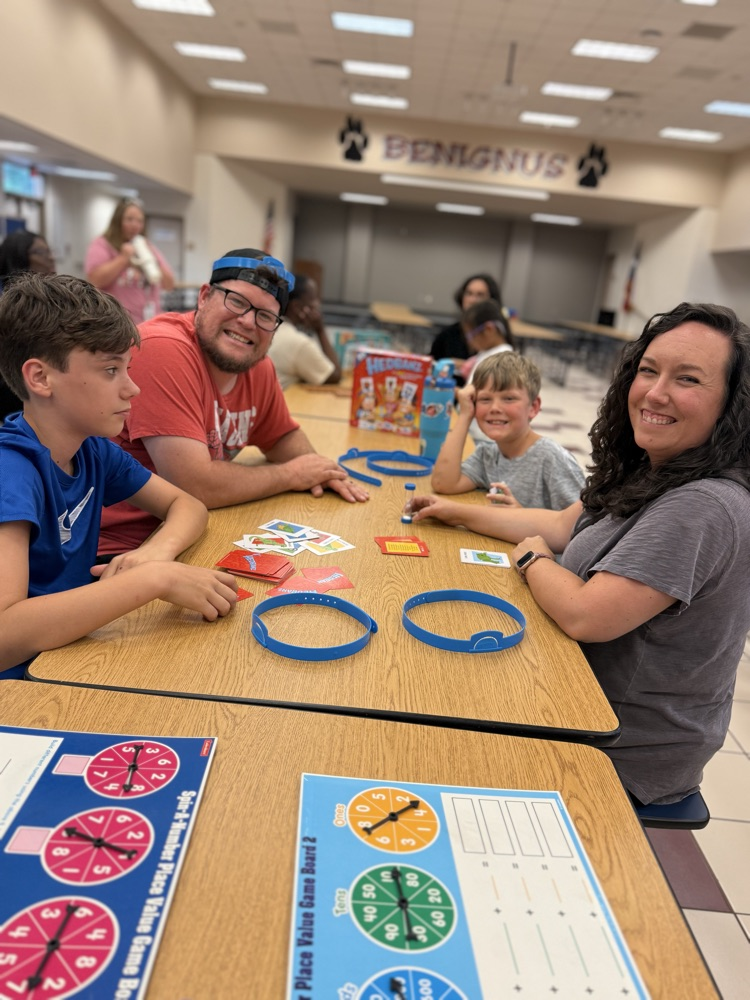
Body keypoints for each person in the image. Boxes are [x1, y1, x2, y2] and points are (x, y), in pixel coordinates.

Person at [408, 302, 750, 806]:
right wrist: (454, 512)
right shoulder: (654, 466)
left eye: (688, 379)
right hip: (572, 693)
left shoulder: (704, 504)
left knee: (421, 722)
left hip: (617, 747)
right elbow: (556, 525)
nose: (656, 392)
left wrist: (533, 561)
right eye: (648, 370)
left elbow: (586, 615)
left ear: (732, 404)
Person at [0, 273, 238, 679]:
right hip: (25, 688)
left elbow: (187, 505)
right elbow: (5, 636)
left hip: (69, 656)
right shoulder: (12, 472)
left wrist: (155, 554)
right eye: (111, 370)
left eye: (127, 368)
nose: (132, 389)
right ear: (40, 378)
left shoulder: (92, 449)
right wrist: (153, 580)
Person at [99, 248, 368, 557]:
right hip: (122, 550)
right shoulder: (162, 348)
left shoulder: (257, 365)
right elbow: (194, 485)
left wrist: (322, 472)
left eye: (265, 316)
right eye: (237, 301)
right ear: (204, 297)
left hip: (193, 533)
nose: (248, 322)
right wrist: (292, 474)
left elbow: (281, 436)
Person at [431, 351, 585, 509]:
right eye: (485, 399)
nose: (495, 408)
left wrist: (521, 516)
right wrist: (465, 415)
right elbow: (442, 483)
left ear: (533, 407)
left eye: (509, 399)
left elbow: (585, 520)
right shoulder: (487, 456)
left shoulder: (552, 458)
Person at [85, 198, 175, 324]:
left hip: (148, 322)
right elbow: (94, 280)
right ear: (118, 220)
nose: (135, 225)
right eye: (129, 219)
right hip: (116, 323)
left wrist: (151, 260)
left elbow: (169, 284)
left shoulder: (147, 246)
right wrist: (123, 259)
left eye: (139, 221)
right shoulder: (102, 244)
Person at [0, 230, 57, 421]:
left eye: (49, 251)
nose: (50, 258)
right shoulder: (8, 304)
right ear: (19, 257)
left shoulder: (52, 297)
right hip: (14, 392)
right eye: (41, 253)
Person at [267, 273, 341, 389]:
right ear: (297, 307)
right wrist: (320, 330)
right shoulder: (299, 343)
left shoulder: (271, 327)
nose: (318, 304)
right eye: (313, 298)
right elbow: (334, 376)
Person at [430, 272, 502, 365]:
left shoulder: (496, 338)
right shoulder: (447, 335)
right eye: (469, 293)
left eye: (480, 295)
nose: (472, 300)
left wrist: (466, 366)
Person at [458, 299, 515, 386]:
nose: (469, 342)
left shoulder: (501, 361)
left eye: (470, 336)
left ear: (489, 330)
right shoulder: (489, 353)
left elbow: (480, 393)